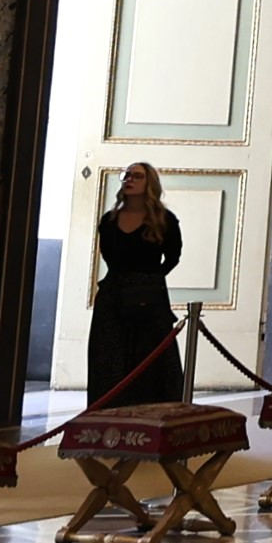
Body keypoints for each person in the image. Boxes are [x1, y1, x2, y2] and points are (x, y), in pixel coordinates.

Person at [90, 162, 188, 407]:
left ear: (149, 183)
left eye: (137, 176)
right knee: (109, 355)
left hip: (149, 295)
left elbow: (173, 256)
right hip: (114, 292)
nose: (129, 179)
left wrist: (152, 278)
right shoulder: (109, 220)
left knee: (150, 357)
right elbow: (108, 254)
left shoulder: (165, 220)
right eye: (126, 175)